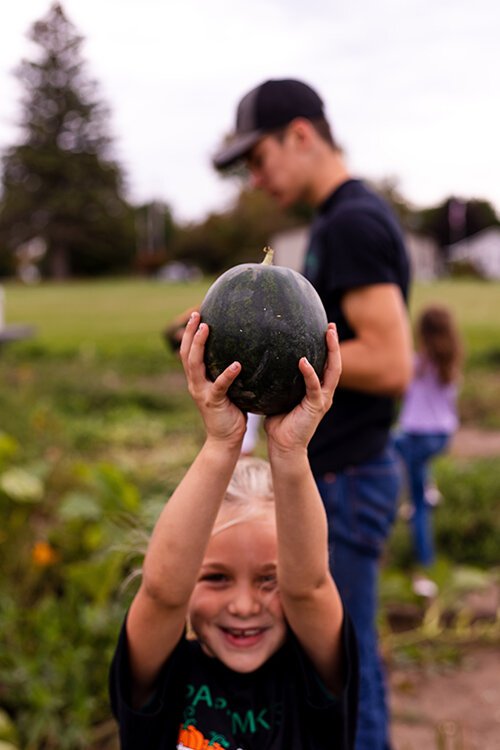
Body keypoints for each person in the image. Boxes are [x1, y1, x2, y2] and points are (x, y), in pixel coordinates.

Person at [212, 78, 413, 750]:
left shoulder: (352, 221)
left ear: (301, 134)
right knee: (339, 663)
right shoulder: (336, 221)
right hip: (342, 474)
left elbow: (389, 358)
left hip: (350, 478)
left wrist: (277, 347)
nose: (256, 178)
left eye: (259, 158)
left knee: (342, 668)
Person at [109, 313, 359, 750]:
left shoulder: (311, 677)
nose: (244, 606)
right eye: (216, 577)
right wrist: (222, 443)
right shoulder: (162, 679)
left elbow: (308, 588)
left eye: (271, 580)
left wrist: (289, 450)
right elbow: (163, 592)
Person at [393, 304, 463, 598]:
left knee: (418, 507)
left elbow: (398, 389)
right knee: (415, 467)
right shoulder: (450, 364)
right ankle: (426, 485)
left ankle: (425, 567)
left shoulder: (415, 364)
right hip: (442, 436)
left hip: (416, 436)